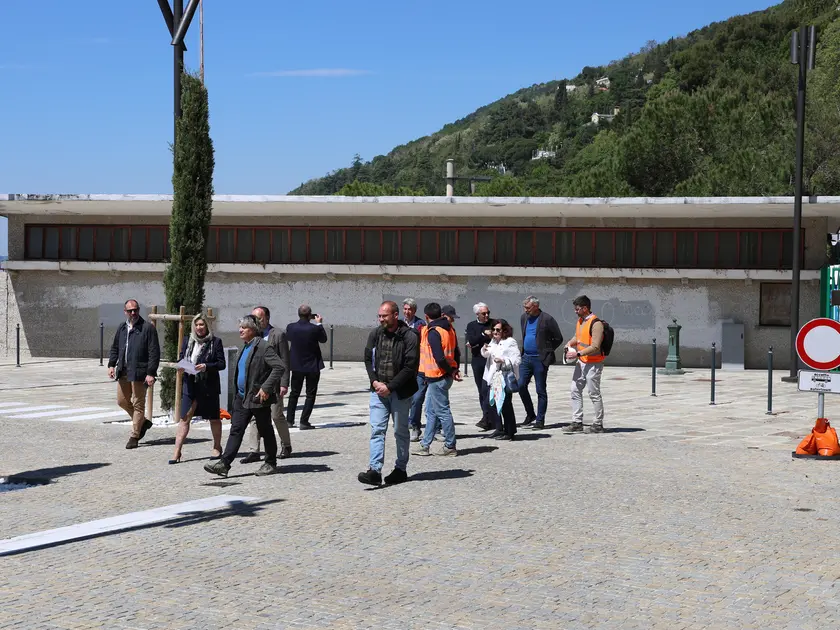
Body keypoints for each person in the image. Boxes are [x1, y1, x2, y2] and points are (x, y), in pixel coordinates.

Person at [204, 315, 285, 477]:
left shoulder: (263, 347)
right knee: (236, 429)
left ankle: (270, 463)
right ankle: (224, 464)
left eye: (244, 328)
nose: (240, 330)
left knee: (265, 429)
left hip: (257, 397)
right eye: (240, 327)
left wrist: (266, 388)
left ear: (253, 330)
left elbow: (279, 367)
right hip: (242, 397)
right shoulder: (245, 346)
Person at [358, 301, 420, 486]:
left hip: (400, 392)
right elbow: (368, 358)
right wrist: (374, 381)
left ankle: (400, 469)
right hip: (378, 390)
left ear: (395, 315)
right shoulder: (376, 333)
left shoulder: (409, 336)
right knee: (377, 429)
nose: (381, 319)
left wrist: (390, 387)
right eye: (379, 316)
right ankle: (374, 470)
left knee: (400, 431)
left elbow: (410, 367)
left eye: (384, 316)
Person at [170, 314, 226, 464]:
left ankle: (217, 446)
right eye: (197, 325)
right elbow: (181, 357)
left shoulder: (215, 342)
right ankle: (177, 451)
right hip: (190, 384)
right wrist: (181, 366)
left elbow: (221, 364)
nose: (199, 328)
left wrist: (206, 367)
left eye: (202, 325)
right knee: (184, 418)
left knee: (214, 418)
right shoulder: (188, 341)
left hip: (209, 386)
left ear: (207, 326)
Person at [242, 306, 293, 463]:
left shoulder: (277, 335)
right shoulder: (251, 335)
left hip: (273, 383)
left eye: (259, 318)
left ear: (267, 318)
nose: (256, 321)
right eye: (254, 318)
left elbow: (284, 360)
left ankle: (286, 445)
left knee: (276, 415)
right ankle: (254, 450)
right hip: (254, 384)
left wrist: (284, 383)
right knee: (254, 418)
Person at [108, 299, 160, 450]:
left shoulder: (147, 328)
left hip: (140, 372)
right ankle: (143, 422)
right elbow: (115, 348)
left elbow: (154, 353)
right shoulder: (122, 328)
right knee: (122, 401)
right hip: (123, 370)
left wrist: (151, 373)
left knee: (138, 403)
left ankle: (135, 435)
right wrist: (111, 364)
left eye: (135, 310)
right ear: (125, 312)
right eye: (130, 310)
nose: (133, 313)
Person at [412, 303, 461, 457]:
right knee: (431, 412)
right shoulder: (449, 328)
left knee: (442, 411)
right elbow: (456, 352)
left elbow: (439, 357)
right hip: (441, 375)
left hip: (437, 375)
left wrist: (449, 371)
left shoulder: (433, 331)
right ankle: (425, 445)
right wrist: (454, 370)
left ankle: (450, 445)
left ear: (426, 317)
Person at [518, 295, 563, 430]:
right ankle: (530, 414)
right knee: (520, 385)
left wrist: (547, 351)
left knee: (540, 390)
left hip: (540, 359)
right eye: (524, 307)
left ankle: (540, 420)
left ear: (535, 306)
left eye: (527, 307)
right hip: (526, 358)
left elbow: (558, 338)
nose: (525, 310)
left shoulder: (547, 319)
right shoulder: (524, 318)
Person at [564, 295, 606, 434]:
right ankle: (577, 422)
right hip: (581, 362)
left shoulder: (596, 323)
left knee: (594, 393)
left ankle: (598, 424)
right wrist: (570, 343)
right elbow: (578, 336)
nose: (575, 311)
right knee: (574, 390)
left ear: (585, 308)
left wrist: (577, 354)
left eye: (577, 309)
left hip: (593, 364)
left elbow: (595, 346)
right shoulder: (580, 321)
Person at [285, 304, 328, 430]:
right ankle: (304, 421)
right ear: (310, 315)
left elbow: (288, 337)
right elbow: (323, 339)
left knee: (294, 393)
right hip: (312, 365)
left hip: (297, 365)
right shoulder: (314, 329)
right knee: (310, 394)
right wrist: (319, 324)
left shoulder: (291, 327)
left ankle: (289, 420)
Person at [481, 319, 521, 441]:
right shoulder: (494, 341)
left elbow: (517, 359)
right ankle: (500, 429)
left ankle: (510, 431)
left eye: (497, 329)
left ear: (504, 330)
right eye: (493, 329)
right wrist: (484, 349)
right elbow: (487, 354)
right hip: (493, 377)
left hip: (504, 376)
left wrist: (504, 360)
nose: (494, 332)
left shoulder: (510, 342)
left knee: (505, 404)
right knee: (493, 402)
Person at [465, 302, 493, 430]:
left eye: (488, 313)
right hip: (478, 361)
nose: (486, 315)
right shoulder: (471, 325)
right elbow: (471, 341)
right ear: (477, 314)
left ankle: (489, 417)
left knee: (489, 389)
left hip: (491, 361)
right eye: (483, 313)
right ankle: (486, 416)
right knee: (481, 390)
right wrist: (483, 335)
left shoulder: (494, 323)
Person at [403, 298, 427, 442]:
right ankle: (403, 424)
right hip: (403, 367)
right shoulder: (398, 324)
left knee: (417, 398)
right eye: (405, 309)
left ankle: (415, 426)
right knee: (404, 397)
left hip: (418, 366)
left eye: (409, 309)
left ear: (414, 311)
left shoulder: (420, 325)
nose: (407, 312)